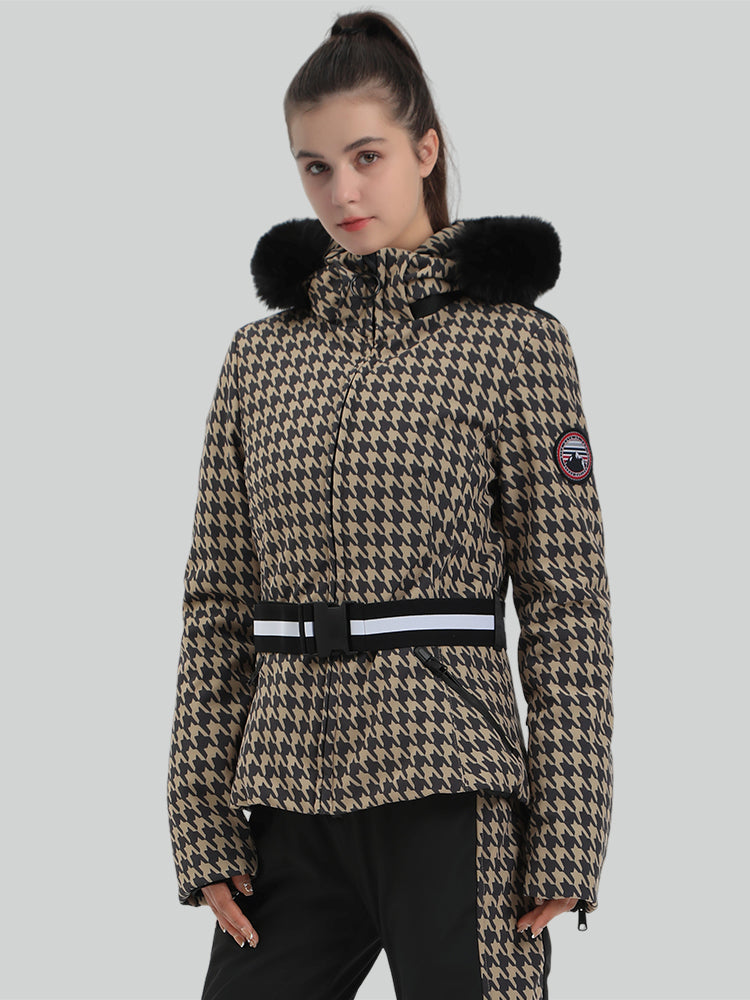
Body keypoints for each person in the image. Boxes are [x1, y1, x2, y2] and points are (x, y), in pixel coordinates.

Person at [166, 9, 614, 1000]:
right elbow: (216, 601)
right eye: (315, 167)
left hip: (452, 791)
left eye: (366, 156)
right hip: (288, 797)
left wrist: (568, 827)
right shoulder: (260, 357)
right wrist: (201, 818)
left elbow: (565, 601)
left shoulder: (515, 344)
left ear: (425, 150)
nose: (344, 191)